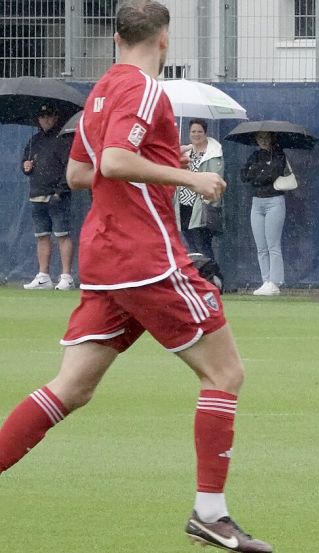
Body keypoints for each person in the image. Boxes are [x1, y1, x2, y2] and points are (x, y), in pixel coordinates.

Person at [0, 2, 274, 551]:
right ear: (164, 40)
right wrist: (188, 178)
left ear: (116, 38)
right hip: (145, 255)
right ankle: (210, 513)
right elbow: (115, 164)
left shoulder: (100, 92)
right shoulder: (149, 91)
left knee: (71, 388)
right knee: (225, 374)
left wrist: (133, 169)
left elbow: (81, 171)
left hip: (105, 261)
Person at [21, 104, 75, 291]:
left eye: (49, 116)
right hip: (37, 194)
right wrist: (26, 167)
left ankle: (66, 276)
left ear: (56, 117)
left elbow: (69, 167)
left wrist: (60, 191)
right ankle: (44, 276)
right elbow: (25, 164)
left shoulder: (63, 140)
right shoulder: (33, 141)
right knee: (42, 236)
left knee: (62, 235)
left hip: (57, 196)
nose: (46, 119)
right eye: (42, 116)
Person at [240, 131, 288, 296]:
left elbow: (272, 174)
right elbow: (244, 175)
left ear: (272, 138)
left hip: (274, 201)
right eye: (260, 138)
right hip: (257, 203)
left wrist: (258, 173)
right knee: (261, 247)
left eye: (266, 138)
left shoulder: (279, 154)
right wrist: (260, 171)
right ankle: (266, 281)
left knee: (273, 245)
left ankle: (275, 282)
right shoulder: (254, 156)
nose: (263, 141)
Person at [177, 118, 224, 260]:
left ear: (205, 133)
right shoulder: (186, 152)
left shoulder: (213, 154)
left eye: (199, 131)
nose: (196, 134)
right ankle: (199, 277)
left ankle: (212, 278)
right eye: (193, 131)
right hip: (184, 205)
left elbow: (215, 178)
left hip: (201, 207)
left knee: (203, 245)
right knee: (191, 247)